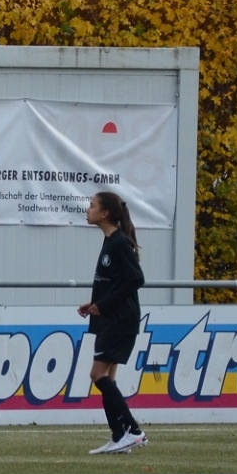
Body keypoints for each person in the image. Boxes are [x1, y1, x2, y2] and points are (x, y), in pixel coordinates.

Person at [76, 191, 148, 455]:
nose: (88, 209)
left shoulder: (119, 242)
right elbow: (114, 282)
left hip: (120, 320)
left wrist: (104, 305)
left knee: (97, 375)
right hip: (110, 318)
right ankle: (120, 436)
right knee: (108, 378)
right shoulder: (110, 241)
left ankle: (134, 431)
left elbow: (136, 279)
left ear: (105, 213)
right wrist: (95, 303)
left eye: (92, 205)